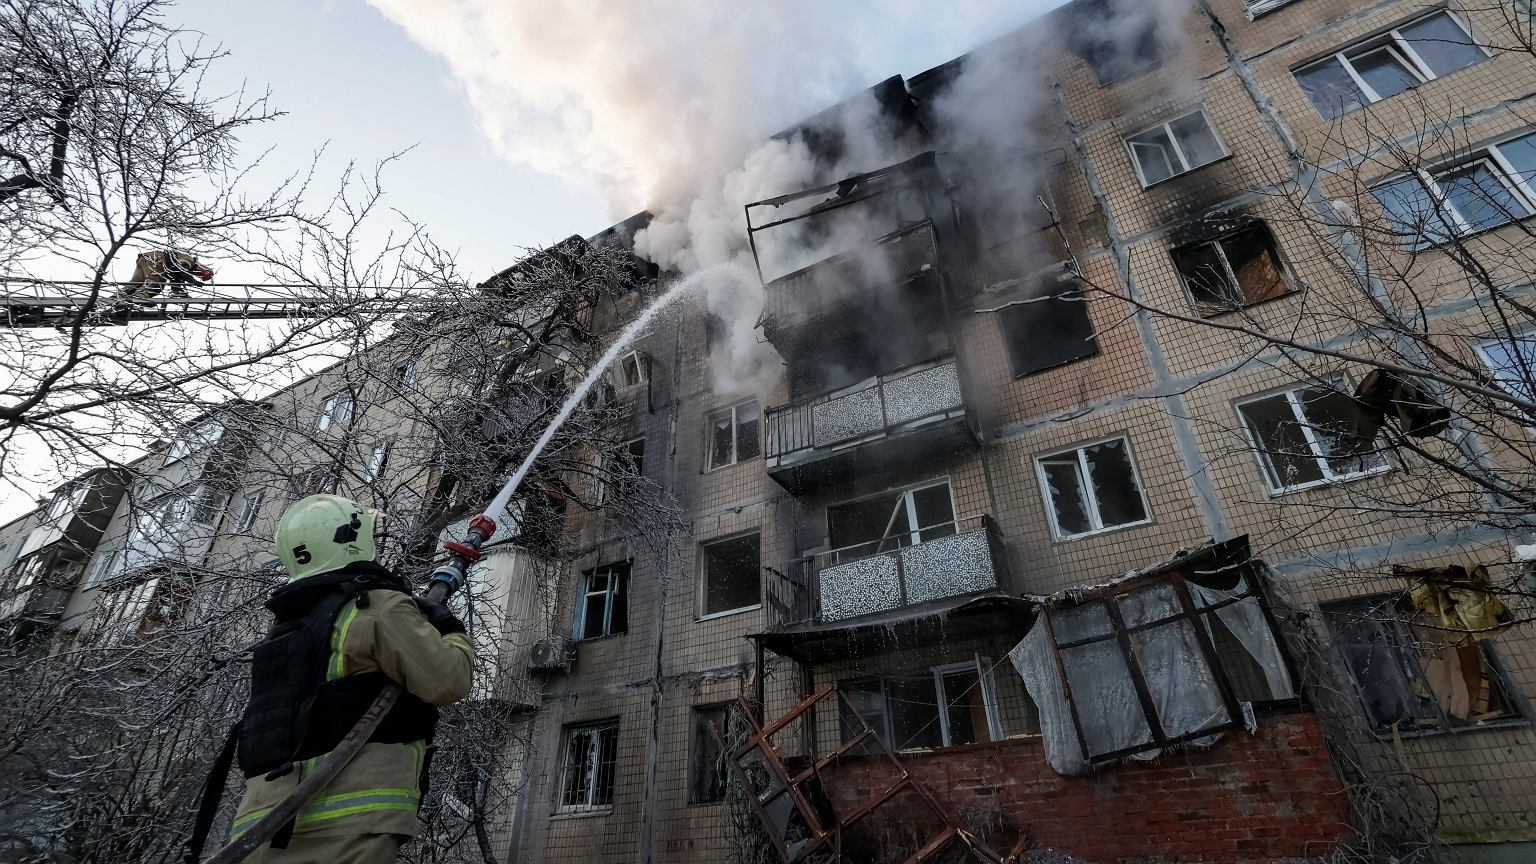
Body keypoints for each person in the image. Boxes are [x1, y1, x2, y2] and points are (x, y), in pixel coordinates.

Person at [229, 495, 474, 864]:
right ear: (353, 540)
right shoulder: (375, 604)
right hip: (350, 820)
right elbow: (448, 680)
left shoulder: (287, 629)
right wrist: (449, 629)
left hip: (262, 825)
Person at [121, 249, 214, 303]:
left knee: (136, 283)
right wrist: (192, 280)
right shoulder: (189, 260)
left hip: (146, 258)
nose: (196, 274)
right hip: (156, 260)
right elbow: (180, 268)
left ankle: (118, 296)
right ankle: (140, 298)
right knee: (157, 284)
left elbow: (177, 277)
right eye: (199, 274)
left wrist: (178, 292)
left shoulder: (181, 271)